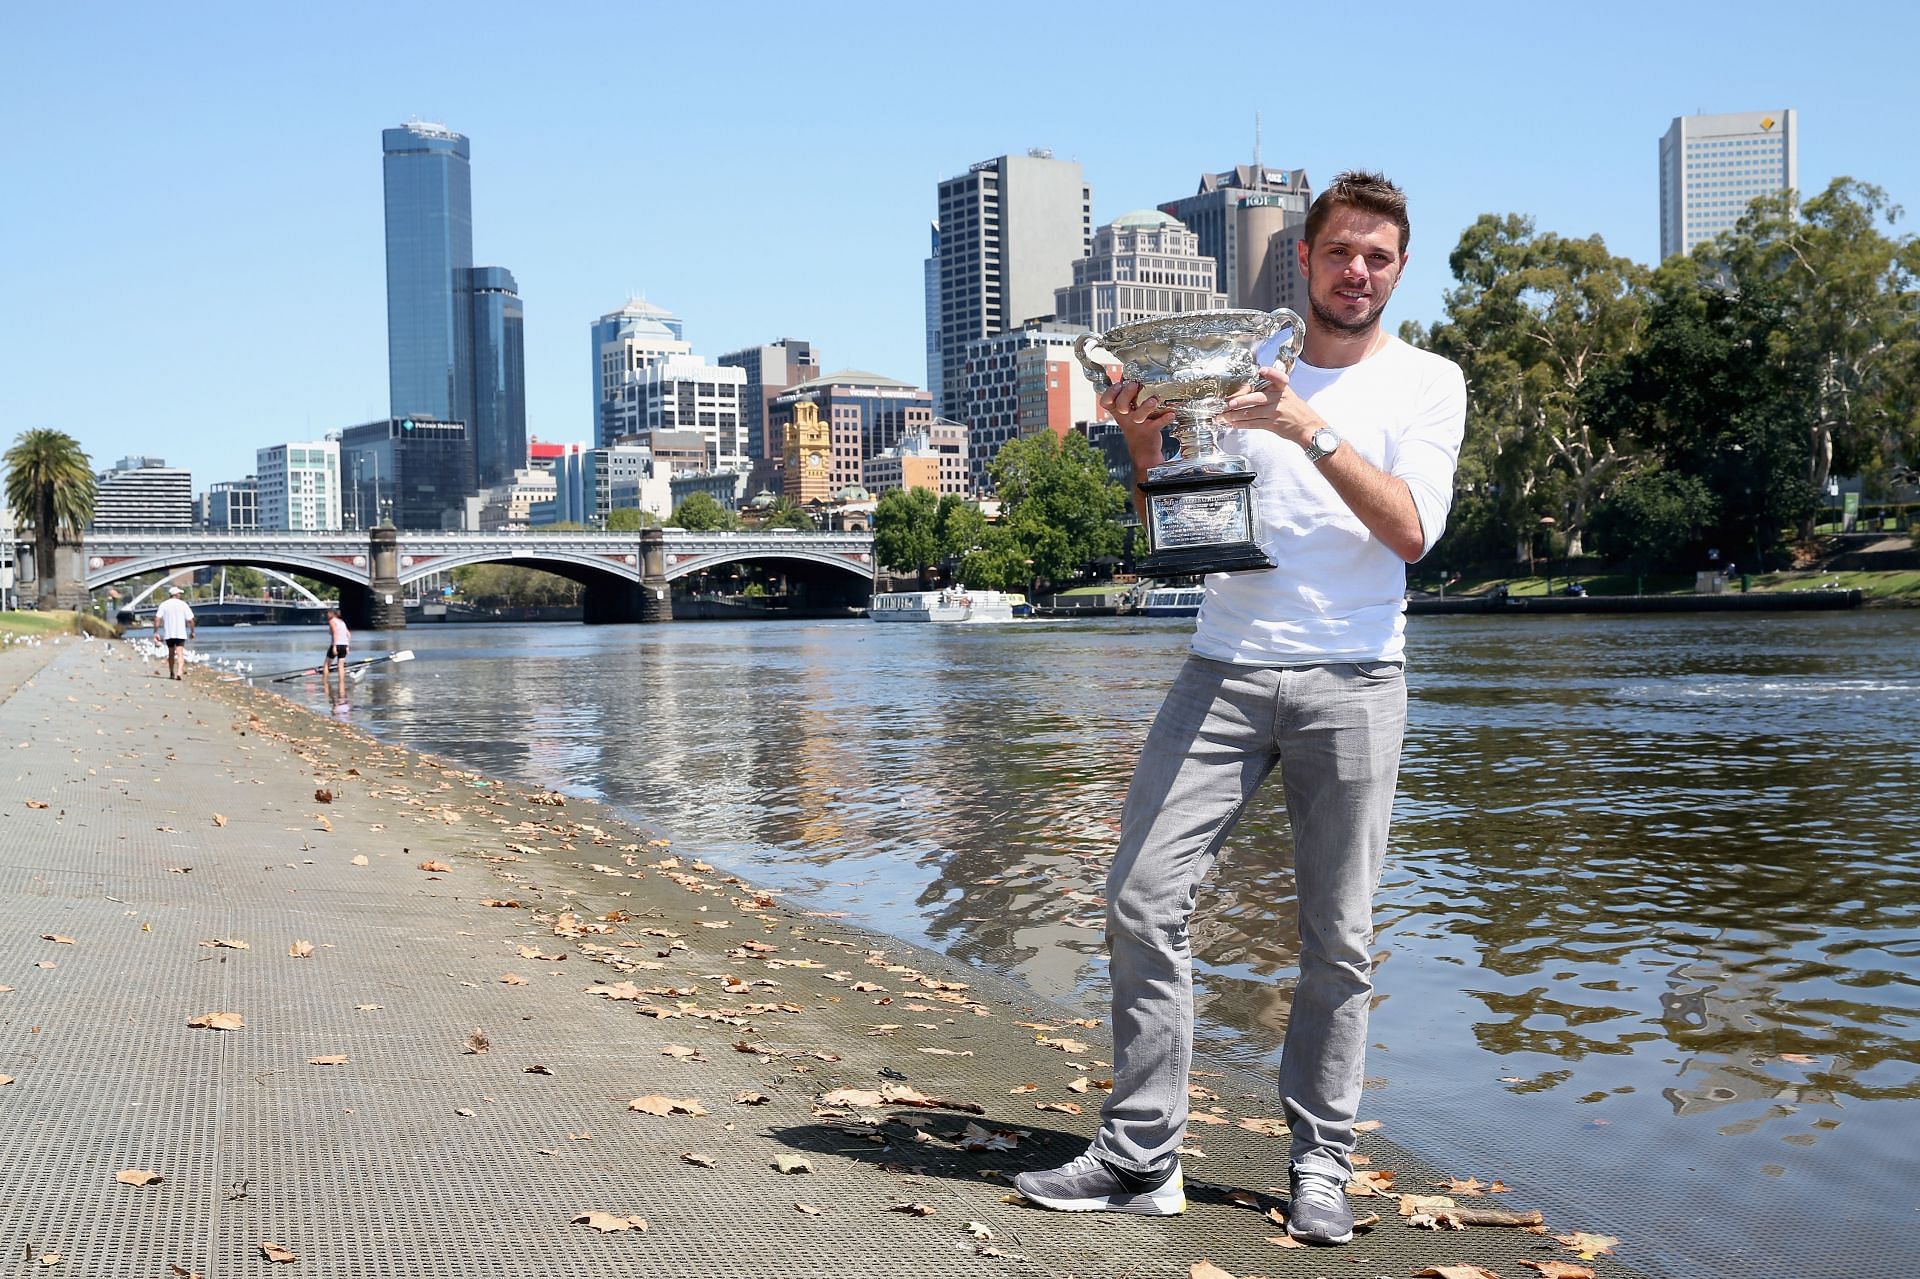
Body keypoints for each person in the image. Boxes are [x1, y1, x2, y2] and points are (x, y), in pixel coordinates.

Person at [1014, 172, 1466, 1246]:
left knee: (1339, 942)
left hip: (1356, 678)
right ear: (1302, 263)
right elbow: (1182, 528)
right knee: (1137, 895)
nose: (1357, 271)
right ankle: (1140, 1156)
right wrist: (1139, 447)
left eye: (1378, 257)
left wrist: (1304, 427)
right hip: (1221, 666)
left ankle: (1321, 1165)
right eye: (1340, 252)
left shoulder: (1427, 382)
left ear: (1397, 272)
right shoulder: (1236, 367)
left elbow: (1412, 533)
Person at [151, 586, 196, 680]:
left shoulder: (164, 604)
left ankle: (171, 672)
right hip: (180, 633)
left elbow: (157, 618)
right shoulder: (183, 604)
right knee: (180, 652)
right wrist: (192, 631)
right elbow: (190, 620)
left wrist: (155, 632)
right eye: (179, 593)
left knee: (171, 653)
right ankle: (179, 672)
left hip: (169, 633)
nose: (180, 595)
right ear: (176, 594)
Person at [323, 607, 352, 705]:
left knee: (326, 664)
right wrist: (347, 646)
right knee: (341, 666)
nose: (326, 615)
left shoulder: (332, 621)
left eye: (327, 613)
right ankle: (341, 684)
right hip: (344, 645)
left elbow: (335, 633)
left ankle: (325, 682)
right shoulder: (342, 622)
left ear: (332, 614)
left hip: (336, 644)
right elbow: (348, 634)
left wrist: (334, 646)